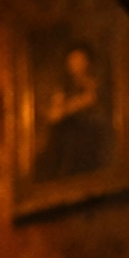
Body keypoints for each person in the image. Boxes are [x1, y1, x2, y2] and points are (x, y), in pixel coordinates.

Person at [35, 42, 110, 180]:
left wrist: (67, 109)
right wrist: (61, 109)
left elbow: (90, 100)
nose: (76, 64)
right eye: (73, 60)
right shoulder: (64, 86)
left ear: (87, 61)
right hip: (70, 130)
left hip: (90, 128)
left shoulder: (93, 82)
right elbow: (55, 113)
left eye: (80, 59)